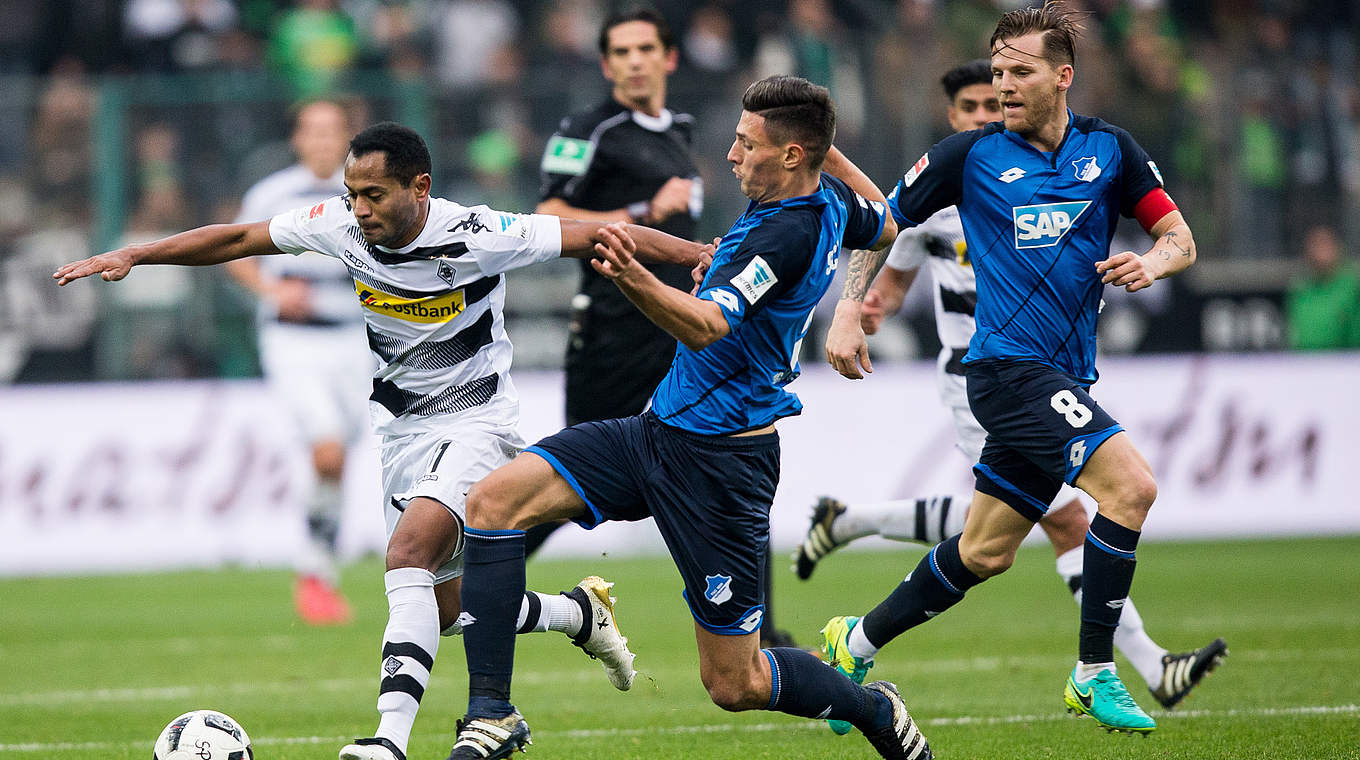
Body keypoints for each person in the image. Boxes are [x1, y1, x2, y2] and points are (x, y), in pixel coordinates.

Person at [55, 121, 709, 760]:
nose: (360, 209)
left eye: (374, 195)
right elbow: (239, 237)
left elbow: (596, 232)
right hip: (401, 433)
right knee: (450, 609)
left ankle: (387, 741)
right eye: (352, 194)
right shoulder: (340, 227)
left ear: (419, 187)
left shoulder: (477, 232)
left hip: (477, 423)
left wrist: (698, 255)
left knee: (407, 554)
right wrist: (137, 253)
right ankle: (576, 614)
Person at [447, 76, 931, 760]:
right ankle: (492, 713)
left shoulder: (787, 234)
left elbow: (707, 325)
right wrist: (848, 299)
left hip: (722, 470)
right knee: (494, 502)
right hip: (655, 435)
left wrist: (633, 275)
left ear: (791, 156)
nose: (730, 155)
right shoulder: (826, 199)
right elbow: (883, 218)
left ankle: (873, 709)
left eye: (745, 143)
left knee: (736, 682)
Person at [795, 60, 1225, 736]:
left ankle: (857, 639)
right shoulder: (966, 158)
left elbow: (1180, 238)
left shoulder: (1108, 150)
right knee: (1129, 490)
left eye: (1018, 71)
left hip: (1065, 374)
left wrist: (1153, 261)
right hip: (1000, 373)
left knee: (985, 550)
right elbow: (880, 223)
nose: (1003, 86)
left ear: (1063, 75)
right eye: (996, 73)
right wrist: (851, 307)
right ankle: (1098, 670)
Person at [531, 5, 798, 648]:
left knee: (734, 465)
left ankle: (760, 629)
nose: (633, 62)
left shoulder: (678, 129)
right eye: (619, 52)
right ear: (605, 64)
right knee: (565, 484)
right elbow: (548, 213)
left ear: (669, 58)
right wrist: (645, 209)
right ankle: (484, 556)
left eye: (644, 49)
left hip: (681, 333)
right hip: (614, 337)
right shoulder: (588, 129)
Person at [225, 98, 369, 626]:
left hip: (357, 340)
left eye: (333, 130)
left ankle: (319, 569)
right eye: (313, 130)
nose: (323, 140)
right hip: (295, 340)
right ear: (297, 139)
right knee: (327, 451)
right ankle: (313, 571)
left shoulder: (365, 192)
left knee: (338, 460)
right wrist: (271, 291)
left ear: (347, 137)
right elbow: (235, 250)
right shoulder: (273, 192)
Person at [1285, 222, 1360, 350]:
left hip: (1345, 364)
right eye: (1315, 245)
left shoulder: (1352, 288)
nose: (1320, 252)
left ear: (1337, 248)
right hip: (1303, 364)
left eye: (1325, 244)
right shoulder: (1299, 291)